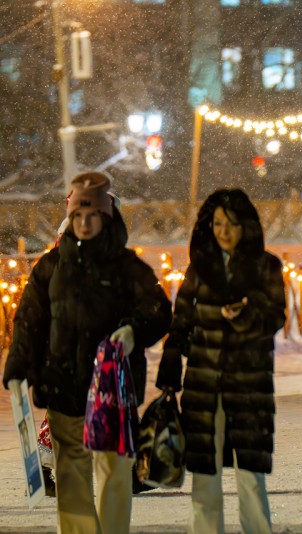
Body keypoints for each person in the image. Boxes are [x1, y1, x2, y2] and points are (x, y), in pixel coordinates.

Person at [3, 171, 173, 534]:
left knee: (113, 475)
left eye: (91, 215)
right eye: (77, 216)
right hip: (63, 386)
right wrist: (18, 364)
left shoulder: (128, 268)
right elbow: (29, 320)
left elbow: (159, 311)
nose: (83, 223)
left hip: (113, 390)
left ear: (106, 218)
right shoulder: (50, 267)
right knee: (72, 480)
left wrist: (133, 330)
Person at [156, 189, 286, 533]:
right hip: (204, 382)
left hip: (248, 383)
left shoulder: (266, 265)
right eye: (216, 223)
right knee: (205, 473)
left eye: (231, 223)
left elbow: (275, 316)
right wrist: (171, 364)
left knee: (251, 474)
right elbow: (180, 320)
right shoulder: (200, 269)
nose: (223, 231)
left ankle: (258, 529)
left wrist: (245, 315)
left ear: (246, 225)